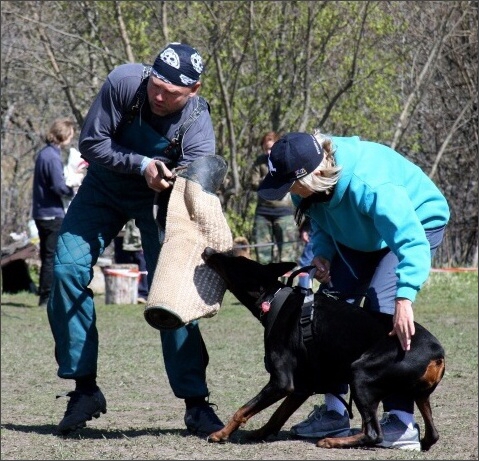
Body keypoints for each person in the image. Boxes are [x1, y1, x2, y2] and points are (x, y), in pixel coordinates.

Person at [47, 42, 224, 437]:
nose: (159, 97)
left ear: (193, 91)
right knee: (66, 269)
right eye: (156, 86)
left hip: (160, 201)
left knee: (172, 296)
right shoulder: (124, 82)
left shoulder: (197, 122)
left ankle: (196, 404)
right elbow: (93, 142)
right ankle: (84, 388)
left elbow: (200, 183)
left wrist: (170, 180)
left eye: (171, 93)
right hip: (104, 188)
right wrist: (141, 163)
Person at [257, 131, 449, 451]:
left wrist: (404, 296)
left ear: (316, 173)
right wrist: (322, 252)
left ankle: (401, 422)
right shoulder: (303, 184)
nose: (288, 192)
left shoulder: (370, 185)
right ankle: (334, 411)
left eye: (291, 184)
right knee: (330, 304)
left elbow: (410, 239)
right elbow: (321, 221)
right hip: (361, 235)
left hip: (416, 223)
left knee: (381, 307)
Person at [32, 118, 76, 307]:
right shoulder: (52, 156)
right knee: (51, 256)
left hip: (41, 212)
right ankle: (47, 296)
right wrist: (72, 190)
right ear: (64, 135)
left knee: (46, 255)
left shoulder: (44, 153)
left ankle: (45, 293)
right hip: (52, 213)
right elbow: (58, 186)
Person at [251, 131, 299, 264]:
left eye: (271, 148)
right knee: (263, 256)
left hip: (284, 213)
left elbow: (293, 182)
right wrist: (270, 181)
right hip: (263, 212)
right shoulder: (260, 162)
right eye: (266, 149)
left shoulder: (286, 160)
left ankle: (289, 285)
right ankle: (265, 284)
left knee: (287, 256)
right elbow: (253, 183)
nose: (268, 152)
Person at [113, 219, 149, 303]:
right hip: (120, 233)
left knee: (141, 263)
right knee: (122, 264)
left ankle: (143, 293)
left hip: (135, 235)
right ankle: (124, 293)